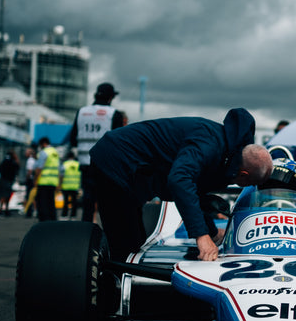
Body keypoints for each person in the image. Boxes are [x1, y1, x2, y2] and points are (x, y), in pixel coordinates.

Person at [89, 108, 273, 262]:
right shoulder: (209, 144)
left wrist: (211, 232)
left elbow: (195, 192)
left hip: (134, 170)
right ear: (244, 175)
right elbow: (180, 180)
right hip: (114, 160)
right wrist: (201, 237)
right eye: (248, 184)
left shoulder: (228, 152)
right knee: (126, 245)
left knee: (135, 240)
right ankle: (107, 288)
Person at [68, 82, 125, 222]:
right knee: (107, 199)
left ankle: (86, 228)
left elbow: (73, 138)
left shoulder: (82, 112)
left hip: (85, 163)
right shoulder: (114, 114)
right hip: (105, 164)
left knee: (88, 198)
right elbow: (119, 142)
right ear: (110, 97)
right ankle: (109, 230)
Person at [34, 137, 60, 222]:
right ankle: (53, 219)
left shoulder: (44, 152)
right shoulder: (55, 152)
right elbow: (58, 168)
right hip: (53, 182)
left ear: (43, 144)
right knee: (51, 202)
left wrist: (35, 180)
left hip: (43, 181)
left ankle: (44, 220)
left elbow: (39, 168)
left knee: (42, 202)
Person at [0, 149, 20, 216]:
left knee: (5, 195)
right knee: (5, 196)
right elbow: (17, 166)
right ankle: (2, 210)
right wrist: (16, 158)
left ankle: (2, 209)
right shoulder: (11, 162)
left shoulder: (5, 161)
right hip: (7, 180)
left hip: (4, 180)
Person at [59, 151, 81, 218]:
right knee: (74, 202)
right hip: (75, 186)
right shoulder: (77, 164)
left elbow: (61, 175)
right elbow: (80, 175)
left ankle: (64, 215)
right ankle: (73, 215)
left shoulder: (65, 164)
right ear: (74, 156)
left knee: (66, 201)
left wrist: (60, 184)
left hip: (66, 186)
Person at [22, 147, 36, 217]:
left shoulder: (30, 161)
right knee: (31, 196)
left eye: (26, 152)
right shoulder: (33, 160)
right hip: (32, 180)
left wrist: (27, 179)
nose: (25, 154)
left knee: (29, 196)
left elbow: (29, 171)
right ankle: (31, 211)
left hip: (30, 180)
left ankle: (29, 212)